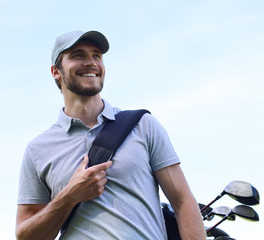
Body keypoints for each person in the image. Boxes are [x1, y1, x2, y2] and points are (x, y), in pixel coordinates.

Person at [16, 30, 206, 240]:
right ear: (56, 71)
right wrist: (69, 197)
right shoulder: (38, 149)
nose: (91, 63)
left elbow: (183, 202)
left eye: (96, 55)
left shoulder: (144, 125)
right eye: (78, 55)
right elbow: (26, 236)